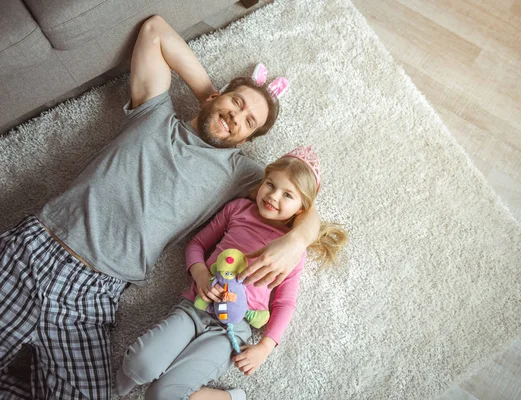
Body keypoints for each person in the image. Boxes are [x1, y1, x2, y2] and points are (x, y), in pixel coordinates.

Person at [0, 15, 320, 400]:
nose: (237, 116)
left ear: (245, 142)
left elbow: (302, 196)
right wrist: (209, 96)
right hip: (38, 250)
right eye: (237, 102)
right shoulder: (154, 113)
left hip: (93, 297)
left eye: (248, 121)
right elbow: (154, 32)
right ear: (218, 94)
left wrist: (297, 240)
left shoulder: (238, 172)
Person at [114, 146, 347, 400]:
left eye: (287, 195)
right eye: (270, 185)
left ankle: (230, 397)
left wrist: (265, 347)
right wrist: (201, 274)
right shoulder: (238, 210)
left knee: (161, 395)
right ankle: (111, 387)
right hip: (196, 305)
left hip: (233, 329)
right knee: (139, 364)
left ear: (301, 209)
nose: (273, 196)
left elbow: (285, 302)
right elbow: (197, 245)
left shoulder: (293, 252)